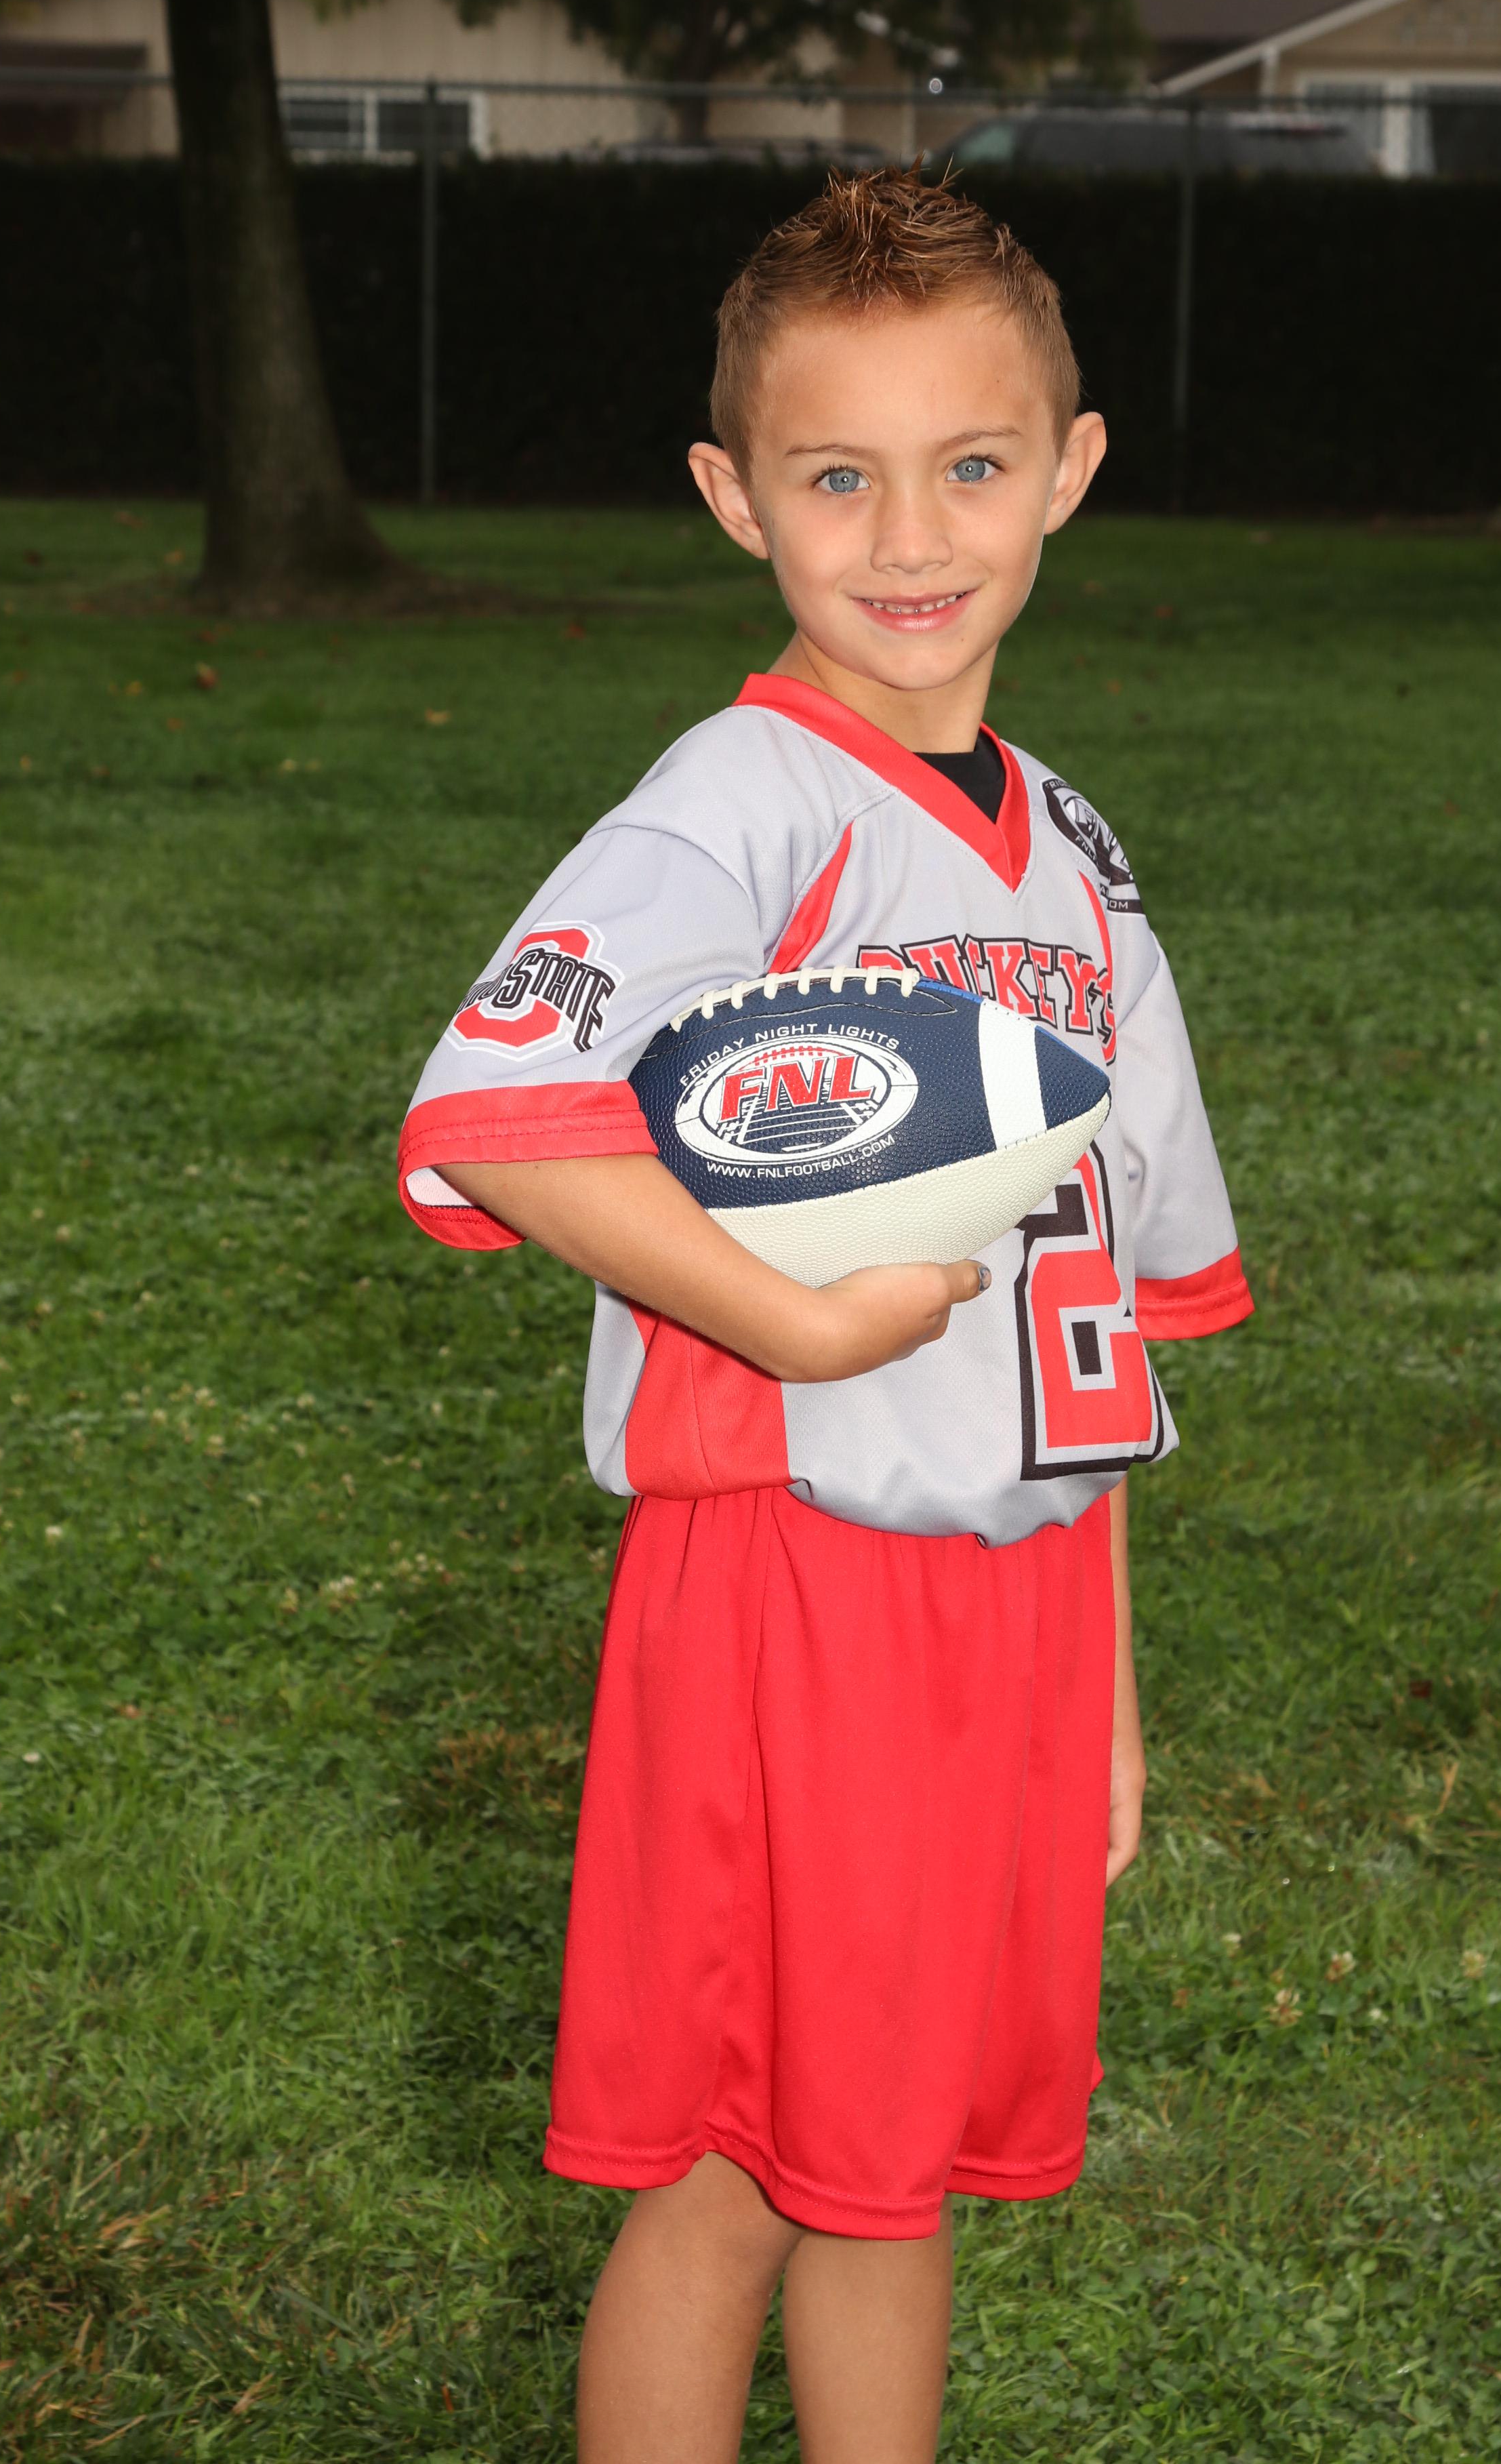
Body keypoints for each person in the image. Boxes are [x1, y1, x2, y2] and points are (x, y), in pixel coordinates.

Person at [396, 169, 1252, 2464]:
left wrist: (1109, 1695)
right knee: (732, 2181)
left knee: (904, 2164)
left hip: (1020, 1610)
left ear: (1068, 470)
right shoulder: (738, 806)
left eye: (970, 464)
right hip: (793, 1582)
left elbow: (1105, 1312)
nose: (911, 535)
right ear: (733, 497)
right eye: (836, 476)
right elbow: (496, 1117)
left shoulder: (1079, 859)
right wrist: (782, 1325)